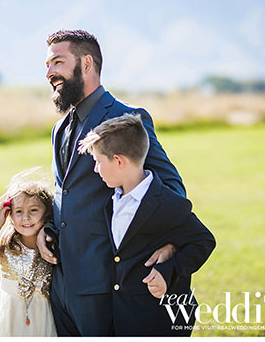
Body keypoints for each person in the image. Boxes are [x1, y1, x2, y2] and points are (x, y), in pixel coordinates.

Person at [37, 29, 187, 336]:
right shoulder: (59, 128)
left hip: (104, 283)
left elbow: (172, 189)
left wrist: (172, 244)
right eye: (48, 65)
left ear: (87, 63)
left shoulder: (128, 118)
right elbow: (65, 195)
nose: (50, 72)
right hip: (61, 283)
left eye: (58, 62)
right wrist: (46, 230)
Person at [78, 113, 216, 336]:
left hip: (157, 321)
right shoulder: (110, 200)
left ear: (119, 161)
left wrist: (167, 271)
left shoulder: (167, 203)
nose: (95, 170)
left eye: (98, 162)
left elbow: (203, 241)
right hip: (121, 318)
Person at [0, 169, 57, 337]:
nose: (25, 218)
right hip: (7, 314)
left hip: (43, 315)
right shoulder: (7, 244)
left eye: (34, 210)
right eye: (19, 211)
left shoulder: (51, 244)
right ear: (10, 216)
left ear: (47, 214)